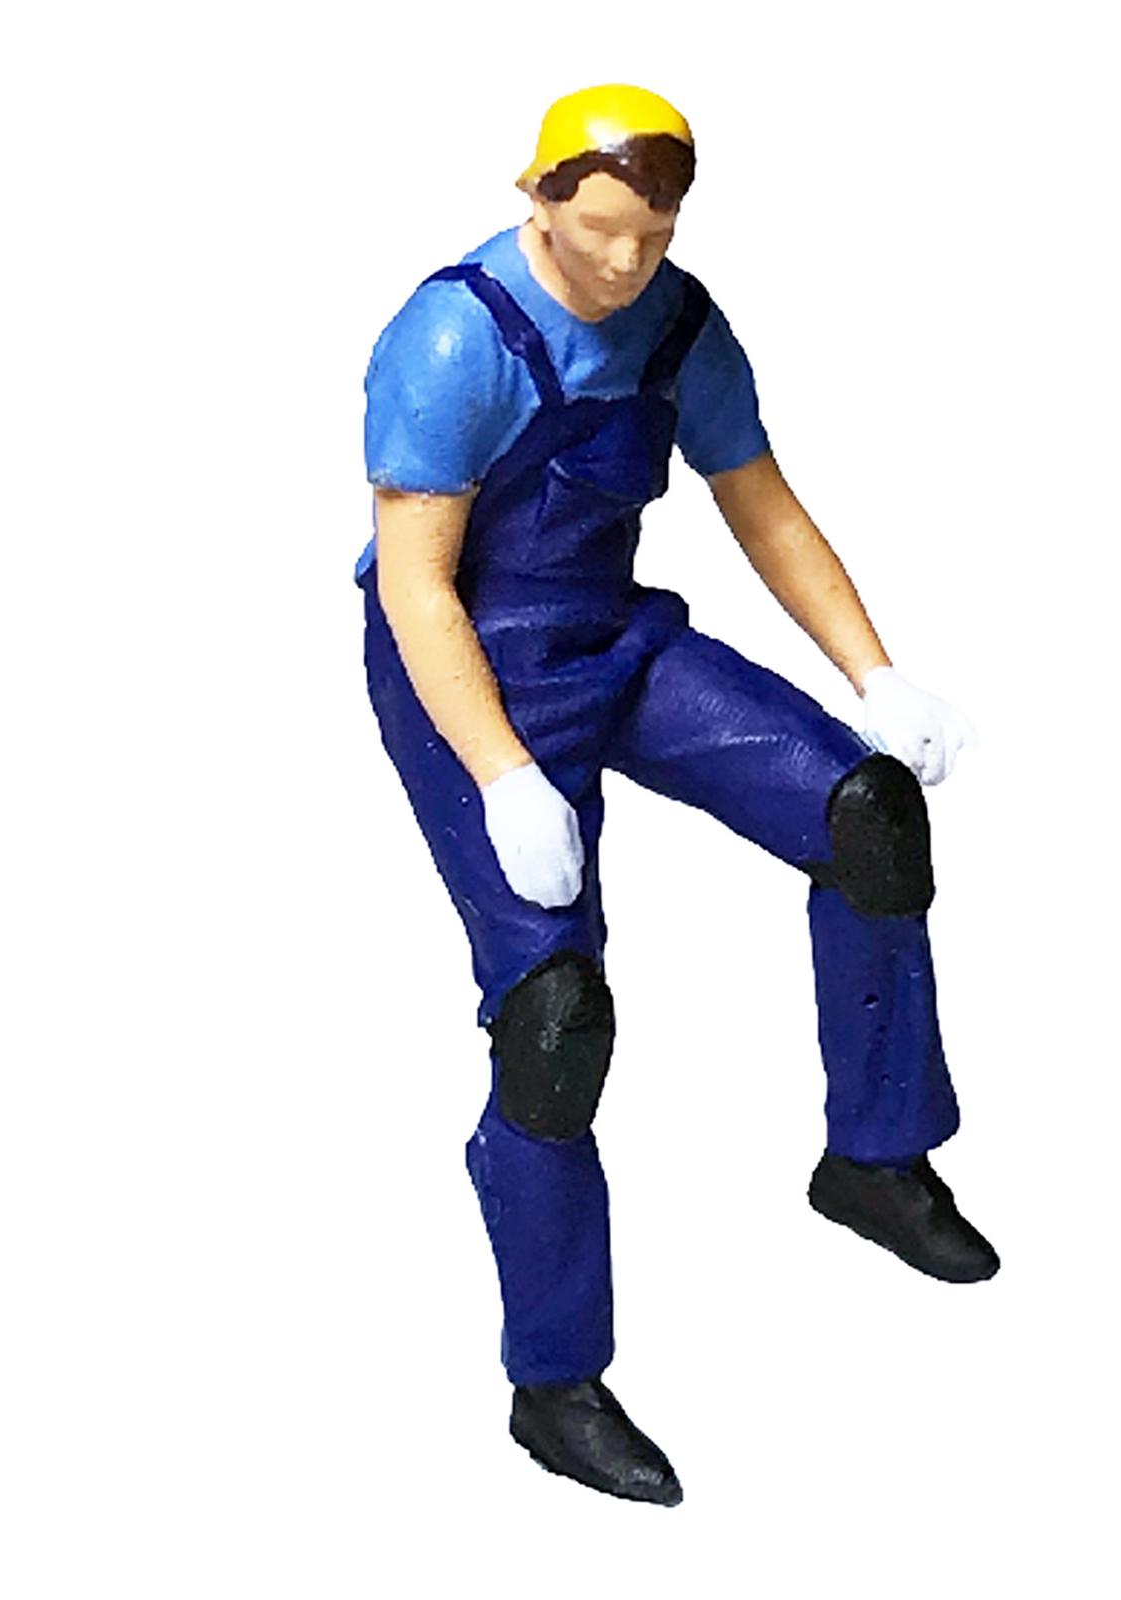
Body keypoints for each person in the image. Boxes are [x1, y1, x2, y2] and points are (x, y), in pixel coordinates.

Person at [357, 84, 998, 1506]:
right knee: (554, 1020)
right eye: (599, 232)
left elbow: (757, 496)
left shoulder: (679, 322)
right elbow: (416, 585)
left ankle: (877, 1159)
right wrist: (505, 778)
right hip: (471, 668)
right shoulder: (454, 338)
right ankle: (554, 1381)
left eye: (653, 235)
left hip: (611, 637)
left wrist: (874, 674)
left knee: (869, 819)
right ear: (536, 202)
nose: (625, 264)